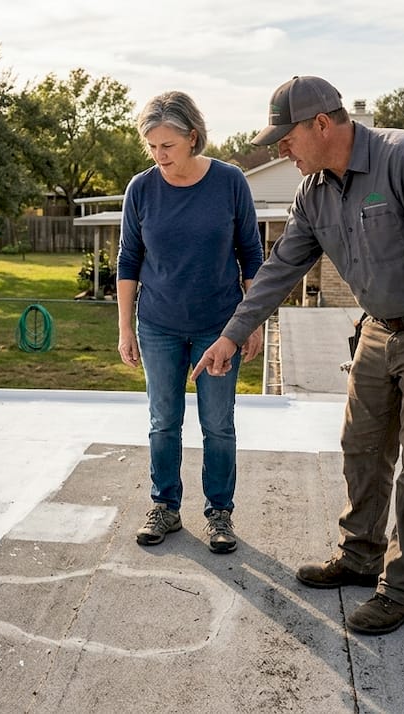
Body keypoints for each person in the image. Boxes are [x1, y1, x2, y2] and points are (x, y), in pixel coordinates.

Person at [192, 76, 404, 633]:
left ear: (322, 124)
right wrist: (233, 334)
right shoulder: (314, 191)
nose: (280, 148)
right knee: (362, 447)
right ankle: (359, 556)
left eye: (286, 137)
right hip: (376, 329)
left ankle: (402, 590)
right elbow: (281, 268)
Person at [118, 91, 265, 554]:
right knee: (163, 420)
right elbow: (128, 260)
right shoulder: (141, 189)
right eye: (152, 147)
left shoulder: (229, 182)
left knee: (217, 423)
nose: (159, 156)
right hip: (157, 324)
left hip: (217, 328)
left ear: (193, 138)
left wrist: (251, 323)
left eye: (168, 146)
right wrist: (125, 328)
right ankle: (165, 506)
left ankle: (219, 513)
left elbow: (252, 254)